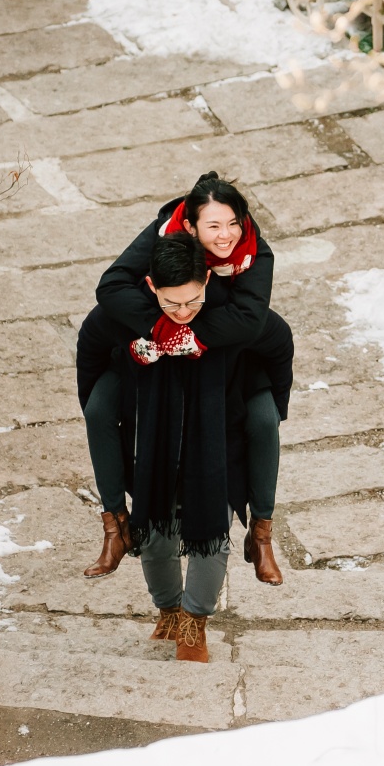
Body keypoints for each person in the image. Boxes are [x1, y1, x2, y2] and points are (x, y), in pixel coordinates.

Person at [77, 173, 296, 591]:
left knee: (264, 422)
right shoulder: (163, 239)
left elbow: (255, 322)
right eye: (213, 225)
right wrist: (161, 328)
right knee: (99, 410)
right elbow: (110, 287)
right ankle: (115, 523)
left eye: (233, 222)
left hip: (232, 350)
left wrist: (194, 335)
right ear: (190, 228)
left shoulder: (254, 251)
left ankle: (261, 531)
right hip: (151, 346)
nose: (227, 235)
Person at [112, 233, 247, 663]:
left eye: (193, 301)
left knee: (212, 531)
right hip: (158, 444)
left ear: (207, 279)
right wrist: (132, 355)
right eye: (173, 304)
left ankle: (194, 623)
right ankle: (168, 612)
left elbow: (277, 342)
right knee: (154, 530)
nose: (184, 313)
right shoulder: (131, 316)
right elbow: (95, 347)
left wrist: (266, 407)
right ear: (152, 287)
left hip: (216, 444)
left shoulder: (230, 315)